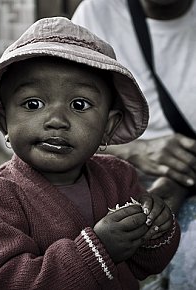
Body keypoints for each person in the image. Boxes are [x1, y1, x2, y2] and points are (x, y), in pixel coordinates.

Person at [0, 17, 180, 290]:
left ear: (108, 128)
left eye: (79, 104)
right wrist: (99, 250)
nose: (56, 120)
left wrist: (156, 228)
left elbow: (146, 265)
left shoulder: (119, 176)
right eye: (33, 103)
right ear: (4, 123)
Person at [72, 0, 196, 289]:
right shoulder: (96, 12)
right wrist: (135, 150)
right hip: (119, 180)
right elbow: (67, 123)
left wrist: (178, 180)